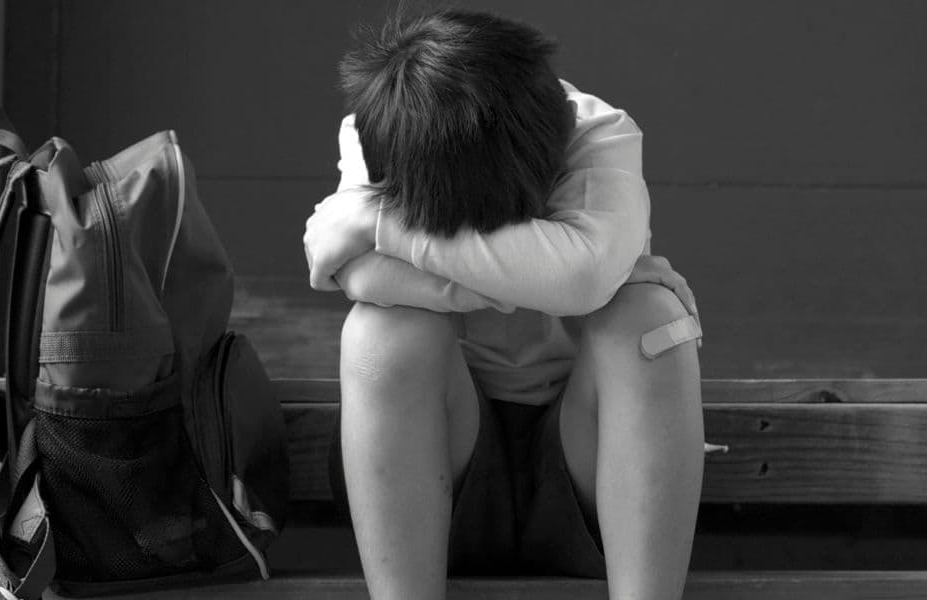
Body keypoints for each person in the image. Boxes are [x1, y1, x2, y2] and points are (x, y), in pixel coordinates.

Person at [302, 9, 705, 600]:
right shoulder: (385, 127)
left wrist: (378, 225)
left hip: (589, 459)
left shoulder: (597, 132)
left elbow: (580, 278)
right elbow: (342, 269)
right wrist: (545, 279)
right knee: (382, 334)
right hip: (437, 462)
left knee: (651, 322)